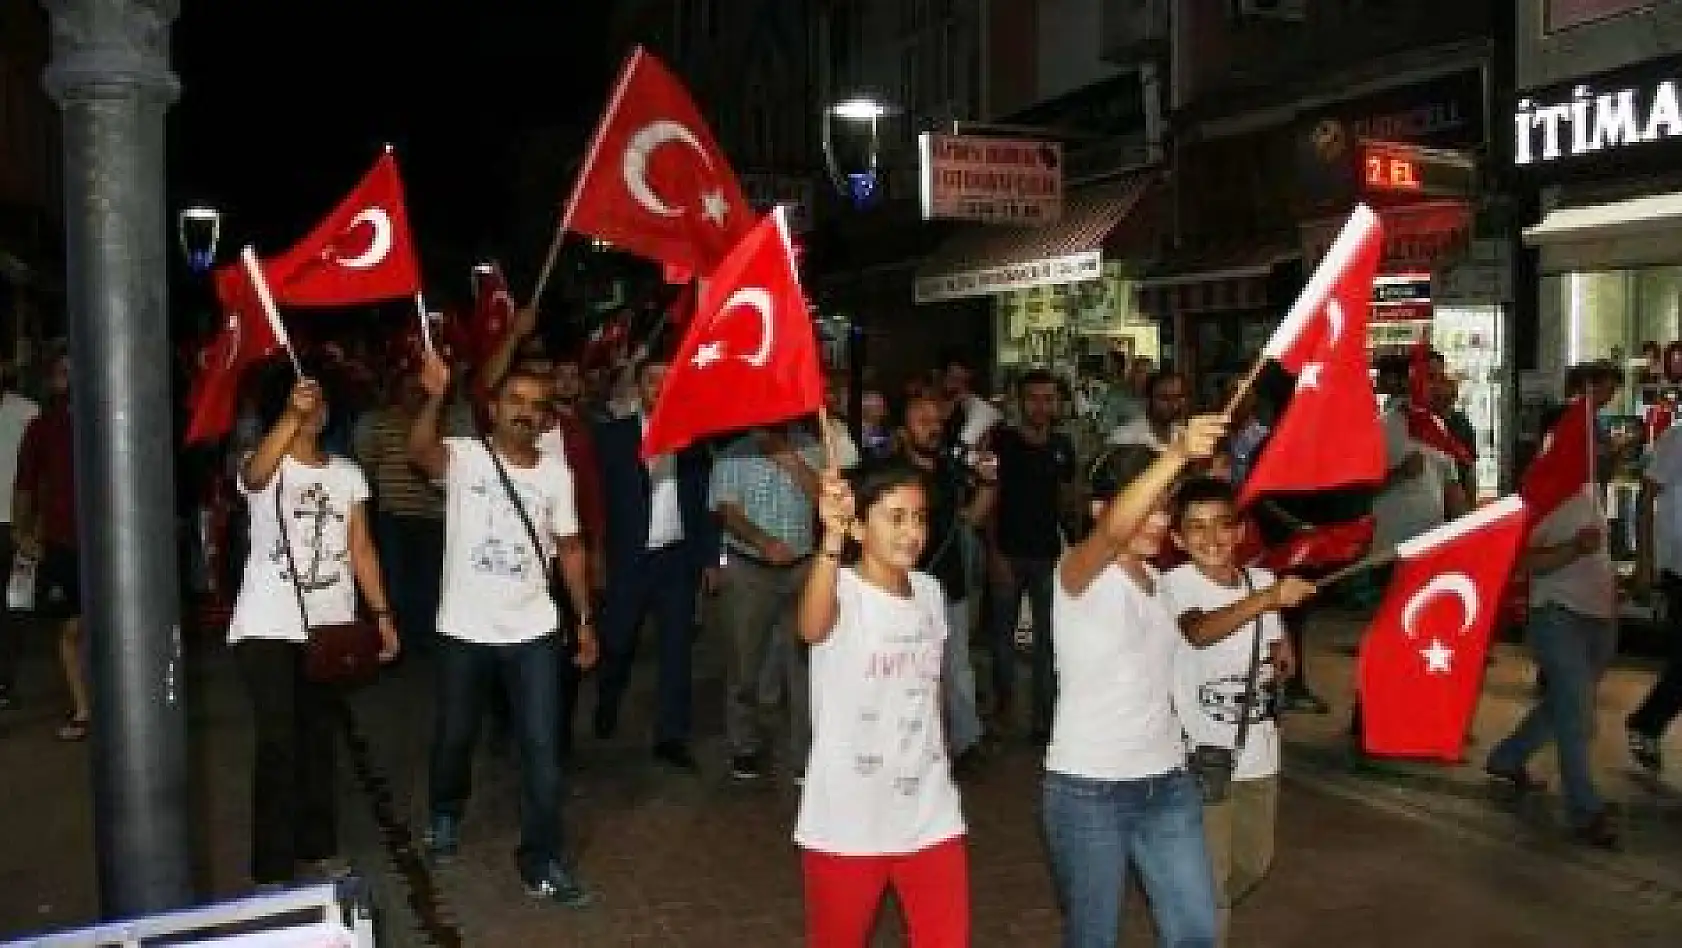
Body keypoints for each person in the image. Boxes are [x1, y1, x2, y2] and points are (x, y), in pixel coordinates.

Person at [409, 353, 600, 906]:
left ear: (545, 421)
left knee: (543, 750)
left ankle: (542, 861)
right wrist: (435, 396)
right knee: (455, 736)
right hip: (464, 629)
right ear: (493, 408)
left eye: (535, 408)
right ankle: (445, 811)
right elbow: (421, 453)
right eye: (514, 401)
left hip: (534, 629)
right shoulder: (466, 457)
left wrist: (584, 618)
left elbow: (569, 547)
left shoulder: (555, 475)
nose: (524, 413)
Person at [1042, 420, 1226, 948]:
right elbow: (1110, 537)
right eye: (1146, 506)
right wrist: (1174, 455)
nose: (1158, 519)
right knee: (1093, 937)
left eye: (1164, 508)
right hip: (1088, 790)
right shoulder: (1077, 575)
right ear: (1103, 509)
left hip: (1167, 782)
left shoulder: (1162, 587)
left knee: (1195, 929)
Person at [229, 370, 400, 886]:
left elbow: (361, 548)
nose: (314, 409)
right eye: (305, 399)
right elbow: (255, 476)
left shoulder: (347, 473)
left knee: (318, 739)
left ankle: (318, 843)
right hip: (267, 624)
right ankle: (271, 866)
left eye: (321, 401)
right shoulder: (263, 463)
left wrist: (383, 616)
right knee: (278, 741)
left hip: (329, 625)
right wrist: (289, 418)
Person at [794, 460, 969, 947]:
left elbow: (931, 691)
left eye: (919, 518)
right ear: (857, 524)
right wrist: (830, 541)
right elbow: (810, 627)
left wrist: (943, 756)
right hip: (849, 816)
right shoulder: (839, 589)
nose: (912, 532)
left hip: (930, 810)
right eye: (895, 518)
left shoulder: (931, 593)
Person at [1163, 477, 1315, 944]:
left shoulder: (1261, 580)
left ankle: (1188, 911)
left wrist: (1283, 648)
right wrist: (1267, 601)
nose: (1212, 539)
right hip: (1202, 757)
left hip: (1258, 754)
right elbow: (1199, 632)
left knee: (1253, 862)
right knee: (1214, 882)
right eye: (1197, 528)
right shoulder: (1173, 585)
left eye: (1223, 525)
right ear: (1177, 538)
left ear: (1241, 530)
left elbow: (1274, 643)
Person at [589, 358, 718, 770]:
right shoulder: (612, 437)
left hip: (676, 561)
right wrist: (596, 554)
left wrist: (710, 558)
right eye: (651, 381)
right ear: (638, 387)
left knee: (677, 649)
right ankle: (607, 701)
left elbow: (704, 505)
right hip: (628, 558)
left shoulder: (694, 442)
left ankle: (671, 735)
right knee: (617, 642)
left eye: (667, 382)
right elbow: (597, 501)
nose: (659, 389)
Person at [1487, 485, 1618, 848]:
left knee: (1564, 703)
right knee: (1577, 715)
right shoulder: (1546, 495)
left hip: (1599, 618)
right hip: (1558, 617)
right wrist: (1574, 549)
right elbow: (1521, 560)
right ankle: (1585, 809)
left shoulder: (1592, 489)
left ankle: (1507, 757)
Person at [987, 368, 1076, 745]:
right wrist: (994, 554)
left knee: (1048, 643)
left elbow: (1067, 499)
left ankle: (1044, 722)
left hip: (1047, 556)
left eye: (1048, 398)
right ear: (1019, 402)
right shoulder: (1000, 442)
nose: (1041, 406)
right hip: (1007, 552)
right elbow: (988, 502)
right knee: (1002, 643)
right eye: (1034, 398)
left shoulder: (1062, 445)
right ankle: (1004, 715)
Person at [13, 348, 87, 741]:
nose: (68, 378)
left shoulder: (105, 420)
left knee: (94, 627)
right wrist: (21, 531)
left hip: (105, 542)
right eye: (61, 371)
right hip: (61, 540)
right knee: (71, 630)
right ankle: (83, 708)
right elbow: (25, 482)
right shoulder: (42, 427)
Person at [0, 362, 37, 710]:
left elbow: (38, 474)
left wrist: (29, 527)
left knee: (15, 605)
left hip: (16, 525)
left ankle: (5, 681)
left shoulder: (27, 413)